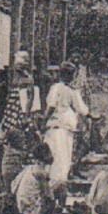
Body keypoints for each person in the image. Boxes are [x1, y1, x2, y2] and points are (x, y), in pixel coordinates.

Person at [43, 61, 91, 192]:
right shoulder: (69, 91)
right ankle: (56, 188)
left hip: (57, 127)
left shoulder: (57, 88)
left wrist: (43, 122)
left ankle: (54, 188)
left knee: (55, 158)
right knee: (62, 159)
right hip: (62, 127)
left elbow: (50, 107)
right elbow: (83, 110)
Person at [9, 143, 53, 214]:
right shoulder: (41, 172)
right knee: (60, 185)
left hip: (21, 204)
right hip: (32, 208)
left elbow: (13, 185)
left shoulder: (29, 168)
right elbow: (47, 194)